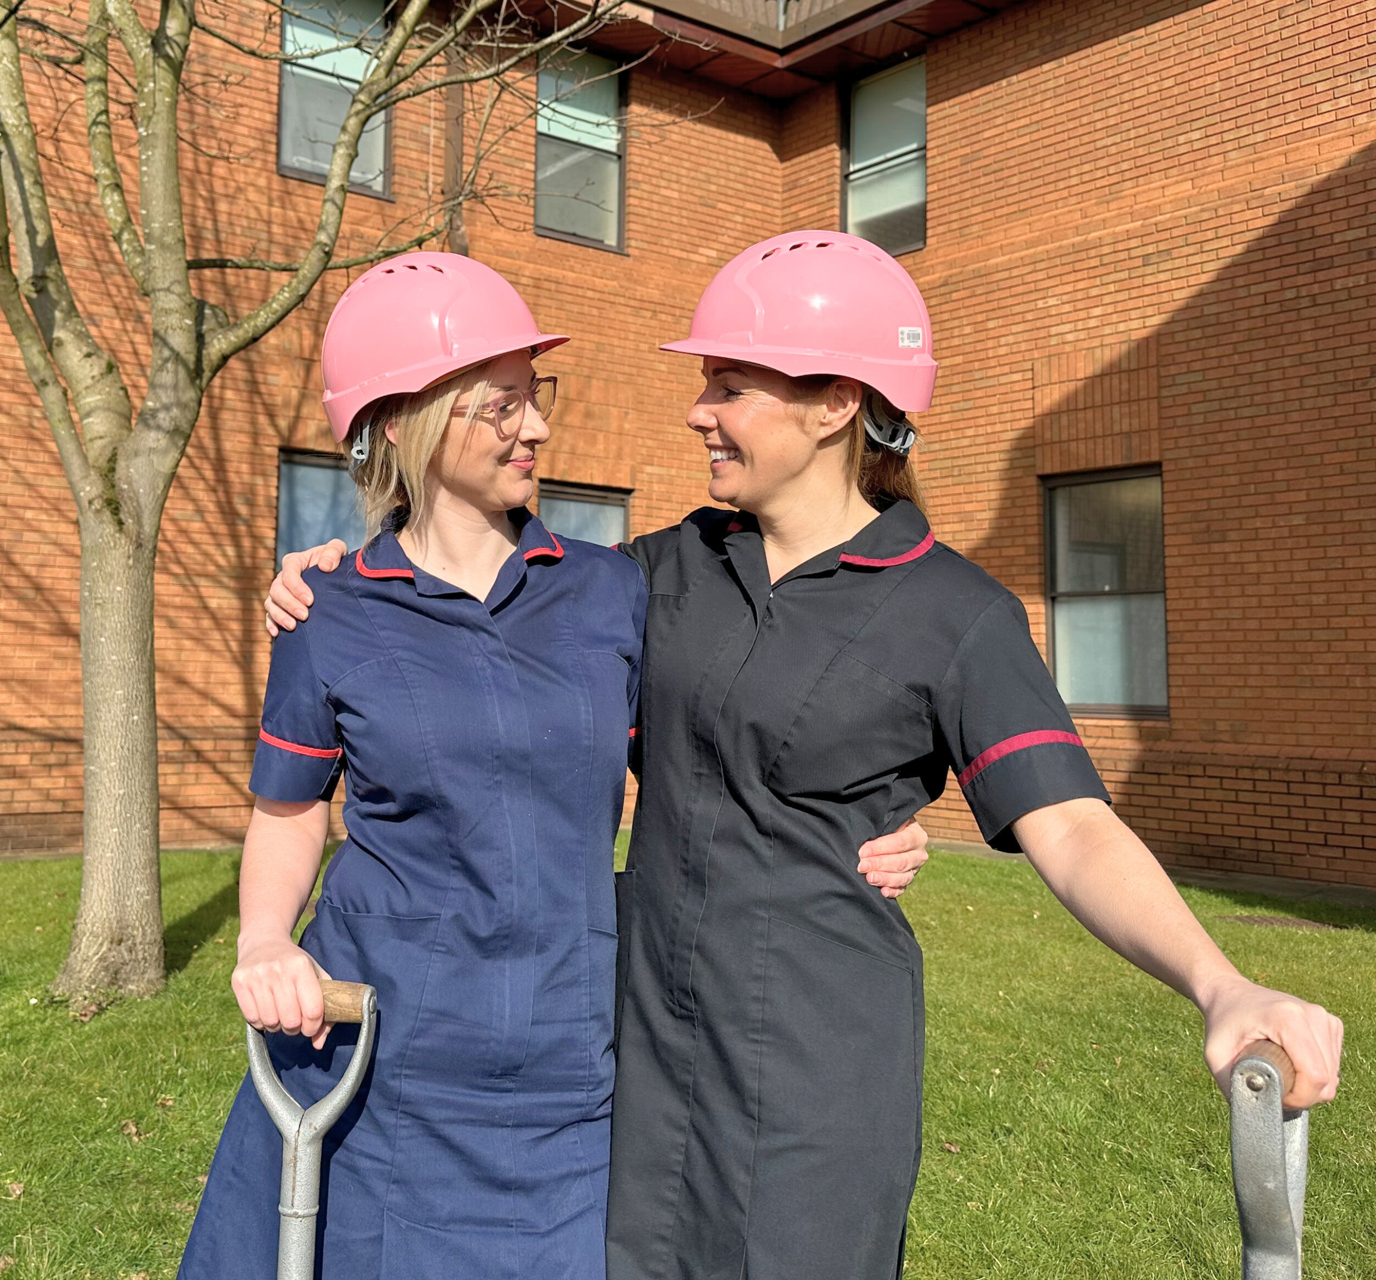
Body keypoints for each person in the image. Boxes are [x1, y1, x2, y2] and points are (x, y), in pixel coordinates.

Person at [265, 232, 1344, 1280]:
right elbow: (493, 640)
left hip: (817, 1075)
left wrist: (1220, 983)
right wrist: (344, 574)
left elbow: (1071, 823)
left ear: (835, 405)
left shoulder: (953, 611)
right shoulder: (659, 573)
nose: (699, 409)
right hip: (643, 1066)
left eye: (730, 385)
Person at [184, 252, 930, 1280]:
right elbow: (288, 805)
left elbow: (721, 743)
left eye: (536, 397)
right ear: (401, 420)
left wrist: (866, 811)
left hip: (566, 1061)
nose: (535, 427)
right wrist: (266, 938)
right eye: (502, 405)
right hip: (376, 1057)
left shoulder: (609, 593)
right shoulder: (329, 611)